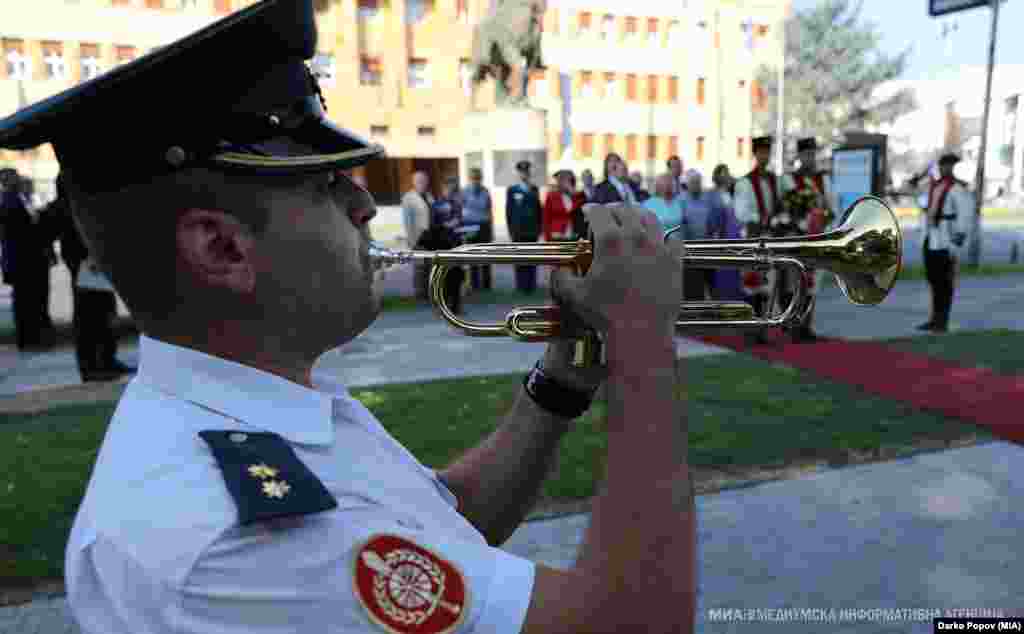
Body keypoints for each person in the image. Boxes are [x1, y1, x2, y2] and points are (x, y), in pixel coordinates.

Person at [0, 1, 697, 631]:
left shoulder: (254, 407)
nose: (364, 207)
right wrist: (643, 340)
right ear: (221, 248)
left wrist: (566, 378)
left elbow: (446, 526)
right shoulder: (234, 530)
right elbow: (635, 622)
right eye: (328, 185)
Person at [39, 174, 135, 381]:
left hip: (96, 265)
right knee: (88, 318)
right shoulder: (64, 207)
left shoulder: (81, 204)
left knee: (104, 314)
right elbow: (45, 235)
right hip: (83, 267)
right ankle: (91, 365)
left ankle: (107, 360)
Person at [780, 137, 838, 342]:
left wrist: (824, 218)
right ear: (799, 156)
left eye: (812, 154)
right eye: (806, 154)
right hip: (796, 238)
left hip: (817, 237)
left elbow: (832, 207)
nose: (809, 158)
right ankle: (792, 324)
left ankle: (806, 326)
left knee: (813, 284)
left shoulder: (824, 180)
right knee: (795, 284)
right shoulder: (788, 179)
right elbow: (785, 208)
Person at [907, 153, 972, 333]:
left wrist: (957, 242)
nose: (945, 169)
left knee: (944, 282)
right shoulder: (933, 186)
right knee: (934, 279)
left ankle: (942, 320)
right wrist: (915, 180)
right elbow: (920, 201)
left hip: (946, 239)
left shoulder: (957, 189)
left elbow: (965, 216)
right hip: (931, 237)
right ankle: (934, 318)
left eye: (948, 166)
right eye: (943, 165)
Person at [734, 135, 788, 345]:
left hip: (772, 238)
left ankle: (763, 328)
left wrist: (781, 219)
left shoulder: (776, 180)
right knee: (754, 284)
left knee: (770, 284)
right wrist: (763, 219)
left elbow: (781, 204)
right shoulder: (746, 182)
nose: (765, 155)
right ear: (755, 154)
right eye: (761, 152)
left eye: (768, 151)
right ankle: (752, 328)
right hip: (755, 238)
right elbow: (742, 213)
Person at [0, 169, 56, 350]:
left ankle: (34, 337)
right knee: (26, 301)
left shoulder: (21, 199)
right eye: (14, 177)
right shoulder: (9, 201)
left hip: (28, 259)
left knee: (31, 300)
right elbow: (21, 230)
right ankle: (29, 339)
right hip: (23, 260)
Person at [420, 176, 466, 314]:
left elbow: (461, 220)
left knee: (457, 276)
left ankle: (456, 305)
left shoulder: (457, 204)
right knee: (443, 277)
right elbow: (432, 224)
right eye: (448, 188)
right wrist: (444, 225)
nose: (450, 191)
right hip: (442, 244)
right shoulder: (436, 205)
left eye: (453, 189)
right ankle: (443, 305)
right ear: (444, 188)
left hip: (456, 244)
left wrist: (458, 224)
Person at [677, 169, 718, 301]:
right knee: (694, 290)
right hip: (690, 251)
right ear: (687, 184)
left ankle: (712, 314)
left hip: (708, 250)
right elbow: (681, 224)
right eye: (693, 182)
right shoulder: (681, 200)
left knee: (712, 287)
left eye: (698, 182)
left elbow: (713, 223)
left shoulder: (708, 199)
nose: (696, 185)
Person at [707, 164, 744, 301]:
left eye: (727, 174)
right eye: (722, 174)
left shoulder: (734, 192)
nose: (725, 177)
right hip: (721, 236)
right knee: (723, 269)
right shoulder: (712, 194)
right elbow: (711, 218)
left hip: (736, 235)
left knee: (735, 269)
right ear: (716, 177)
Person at [506, 159, 542, 293]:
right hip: (518, 230)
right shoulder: (512, 190)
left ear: (529, 173)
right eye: (522, 172)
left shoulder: (534, 189)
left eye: (526, 172)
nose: (524, 175)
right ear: (518, 174)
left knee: (532, 258)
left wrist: (539, 228)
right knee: (520, 258)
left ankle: (531, 285)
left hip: (532, 230)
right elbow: (508, 211)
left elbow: (538, 210)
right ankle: (520, 285)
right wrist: (510, 230)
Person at [460, 167, 494, 290]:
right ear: (469, 179)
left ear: (481, 179)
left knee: (485, 256)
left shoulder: (485, 191)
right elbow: (460, 210)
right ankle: (474, 285)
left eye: (478, 178)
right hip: (470, 225)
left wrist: (491, 229)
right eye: (473, 178)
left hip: (484, 226)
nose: (475, 180)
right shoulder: (464, 192)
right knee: (472, 256)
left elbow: (490, 211)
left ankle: (486, 285)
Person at [402, 170, 434, 299]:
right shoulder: (408, 198)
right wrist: (411, 239)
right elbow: (407, 221)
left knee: (430, 265)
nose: (422, 183)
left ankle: (429, 292)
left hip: (430, 236)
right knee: (419, 266)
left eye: (424, 181)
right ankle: (420, 294)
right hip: (417, 236)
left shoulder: (430, 196)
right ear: (414, 182)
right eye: (419, 181)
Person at [541, 169, 579, 242]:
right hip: (556, 235)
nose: (563, 183)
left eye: (567, 180)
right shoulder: (551, 196)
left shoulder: (576, 196)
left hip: (573, 235)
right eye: (560, 180)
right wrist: (547, 238)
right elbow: (546, 218)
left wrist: (572, 192)